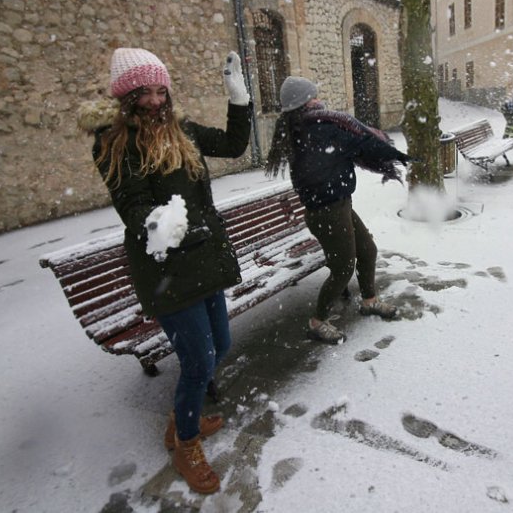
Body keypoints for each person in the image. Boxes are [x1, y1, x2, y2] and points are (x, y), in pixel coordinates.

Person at [76, 48, 251, 494]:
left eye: (160, 90)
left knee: (220, 345)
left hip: (202, 257)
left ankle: (180, 421)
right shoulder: (114, 142)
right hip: (165, 267)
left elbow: (233, 146)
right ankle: (186, 446)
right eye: (143, 92)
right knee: (198, 362)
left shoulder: (181, 130)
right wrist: (157, 223)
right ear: (125, 97)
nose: (155, 100)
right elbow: (132, 205)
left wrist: (238, 99)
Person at [263, 76, 411, 344]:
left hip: (337, 206)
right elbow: (361, 143)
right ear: (303, 104)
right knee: (343, 267)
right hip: (326, 212)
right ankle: (317, 321)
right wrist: (393, 154)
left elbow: (350, 145)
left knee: (368, 251)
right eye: (313, 97)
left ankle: (369, 301)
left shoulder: (306, 127)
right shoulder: (319, 127)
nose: (319, 100)